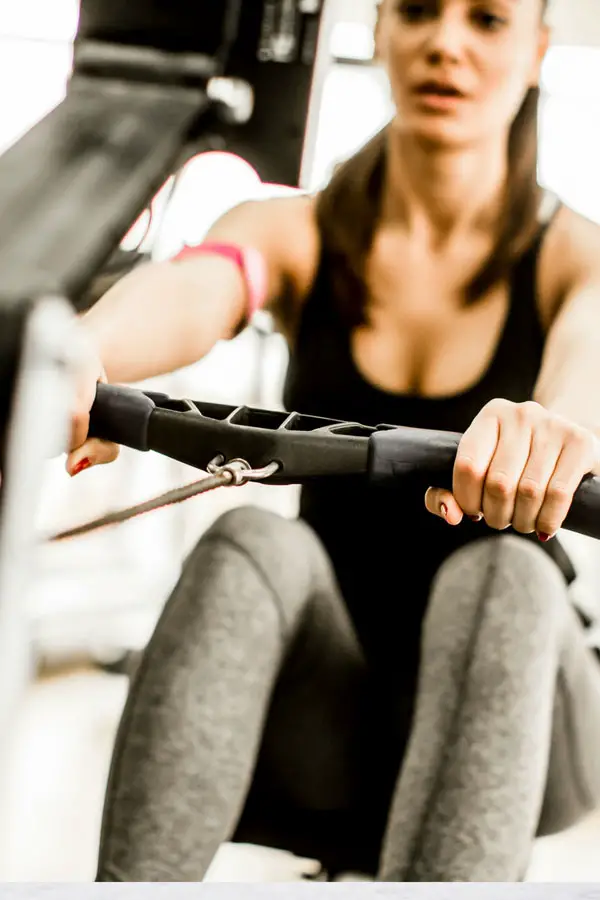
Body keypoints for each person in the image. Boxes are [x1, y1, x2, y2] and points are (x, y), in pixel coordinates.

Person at [69, 0, 600, 883]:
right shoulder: (299, 230)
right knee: (250, 541)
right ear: (380, 32)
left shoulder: (573, 258)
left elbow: (589, 361)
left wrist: (558, 427)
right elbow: (205, 284)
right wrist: (80, 354)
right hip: (332, 708)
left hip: (527, 710)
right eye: (420, 13)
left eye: (487, 21)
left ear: (538, 50)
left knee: (506, 570)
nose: (446, 44)